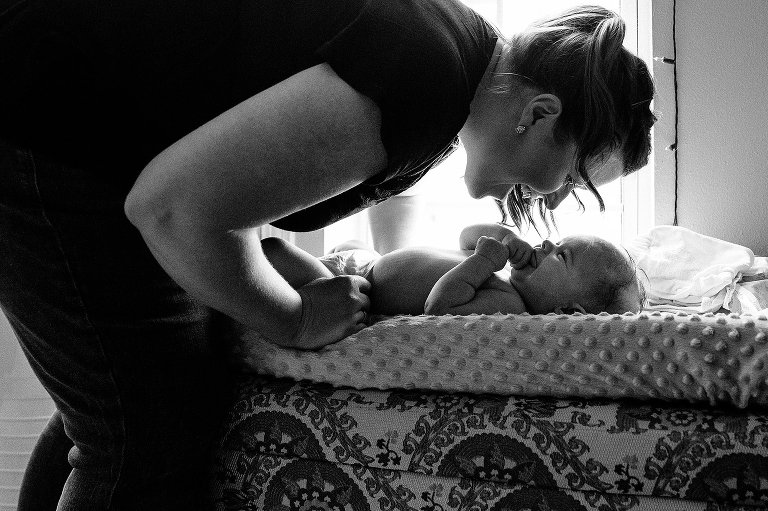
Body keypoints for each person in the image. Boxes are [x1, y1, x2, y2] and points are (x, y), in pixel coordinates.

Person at [0, 0, 655, 508]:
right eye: (571, 177)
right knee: (148, 431)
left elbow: (367, 200)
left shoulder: (453, 66)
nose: (554, 200)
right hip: (47, 116)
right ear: (539, 113)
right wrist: (289, 316)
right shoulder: (426, 81)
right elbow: (173, 208)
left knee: (113, 400)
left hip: (80, 123)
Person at [261, 224, 644, 320]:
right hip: (370, 259)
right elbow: (466, 237)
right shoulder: (502, 277)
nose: (546, 244)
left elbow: (439, 307)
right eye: (556, 240)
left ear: (566, 313)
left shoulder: (508, 306)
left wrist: (483, 262)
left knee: (274, 251)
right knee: (348, 245)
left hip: (356, 286)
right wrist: (500, 236)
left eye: (561, 256)